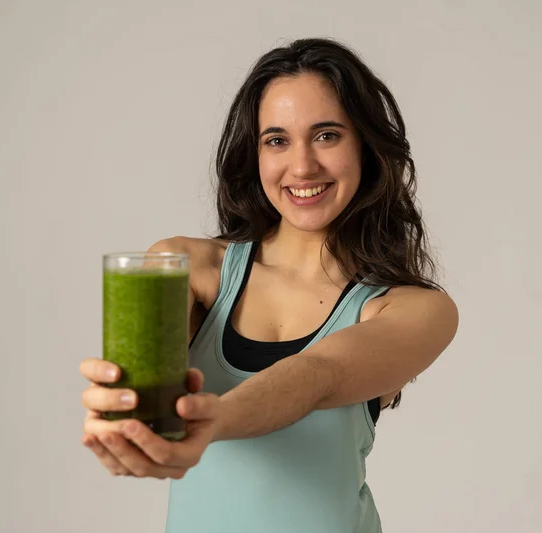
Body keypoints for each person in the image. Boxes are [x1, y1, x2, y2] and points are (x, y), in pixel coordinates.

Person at [79, 37, 459, 532]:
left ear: (365, 146)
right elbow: (148, 389)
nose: (302, 167)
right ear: (253, 154)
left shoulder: (413, 310)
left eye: (326, 136)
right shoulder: (186, 267)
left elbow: (317, 374)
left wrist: (212, 419)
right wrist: (125, 418)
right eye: (277, 140)